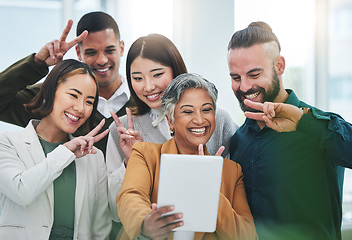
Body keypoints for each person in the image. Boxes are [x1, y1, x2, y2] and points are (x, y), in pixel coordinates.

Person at [227, 21, 352, 240]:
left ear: (280, 66)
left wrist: (304, 122)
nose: (244, 87)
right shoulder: (238, 140)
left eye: (254, 74)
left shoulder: (319, 127)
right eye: (236, 78)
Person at [106, 34, 238, 220]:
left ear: (175, 71)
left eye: (157, 75)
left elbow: (237, 189)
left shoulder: (216, 120)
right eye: (138, 78)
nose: (148, 86)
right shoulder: (121, 131)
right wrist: (133, 162)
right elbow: (113, 211)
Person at [116, 73, 257, 240]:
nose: (199, 119)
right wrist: (145, 222)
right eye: (188, 111)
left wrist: (210, 193)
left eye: (206, 110)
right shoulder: (145, 154)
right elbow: (130, 195)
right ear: (170, 121)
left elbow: (247, 236)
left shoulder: (232, 172)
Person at [0, 11, 132, 156]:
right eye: (91, 52)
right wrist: (36, 64)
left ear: (121, 48)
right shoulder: (51, 99)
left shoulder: (144, 98)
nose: (102, 60)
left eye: (109, 50)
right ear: (78, 53)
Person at [0, 59, 111, 240]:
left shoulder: (94, 157)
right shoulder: (2, 143)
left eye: (89, 101)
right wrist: (65, 151)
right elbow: (22, 191)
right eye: (74, 95)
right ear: (50, 92)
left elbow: (100, 229)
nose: (80, 108)